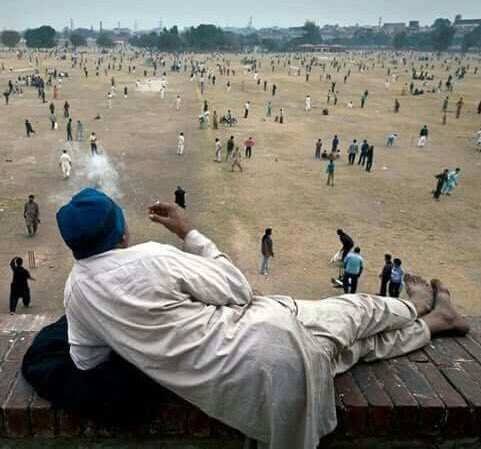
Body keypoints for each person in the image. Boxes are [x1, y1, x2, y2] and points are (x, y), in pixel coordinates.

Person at [32, 187, 469, 449]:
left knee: (353, 349)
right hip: (268, 337)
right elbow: (238, 289)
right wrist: (188, 232)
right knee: (356, 312)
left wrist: (140, 337)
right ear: (121, 232)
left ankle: (435, 323)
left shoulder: (76, 291)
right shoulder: (150, 258)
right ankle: (417, 307)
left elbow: (87, 361)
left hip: (245, 388)